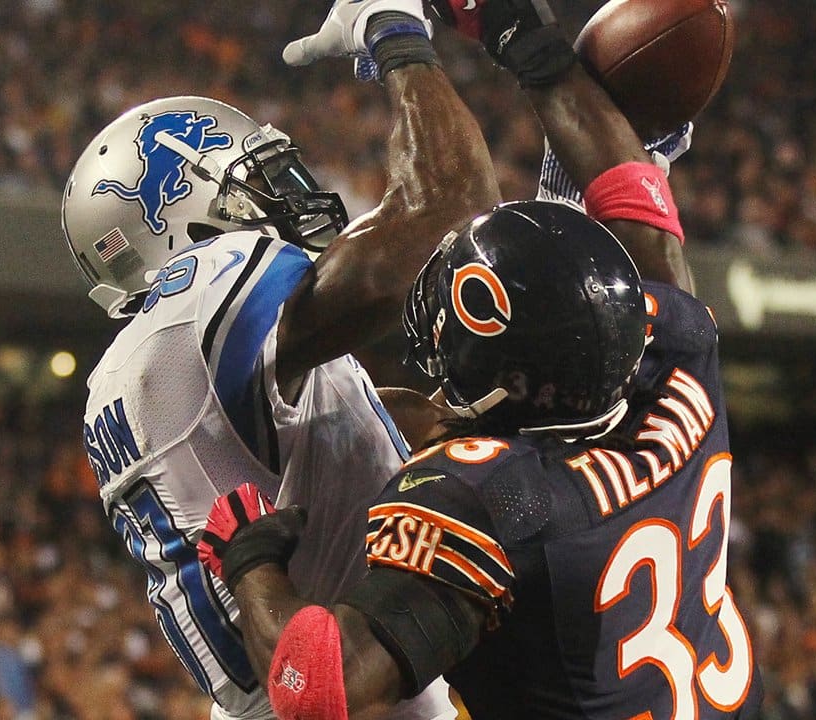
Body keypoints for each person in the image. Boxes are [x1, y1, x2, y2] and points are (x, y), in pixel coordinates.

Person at [195, 1, 762, 718]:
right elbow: (628, 185)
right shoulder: (678, 353)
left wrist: (250, 560)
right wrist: (520, 33)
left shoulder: (494, 499)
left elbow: (321, 687)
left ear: (506, 382)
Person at [62, 0, 501, 717]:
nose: (284, 192)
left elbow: (313, 448)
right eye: (253, 179)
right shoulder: (201, 297)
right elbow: (454, 215)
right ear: (177, 221)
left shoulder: (154, 363)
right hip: (332, 690)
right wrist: (393, 31)